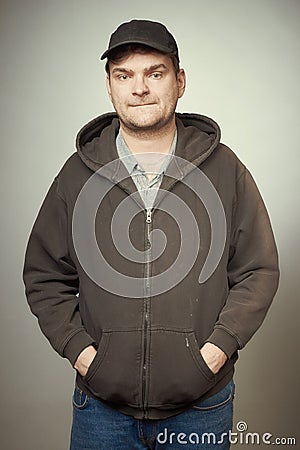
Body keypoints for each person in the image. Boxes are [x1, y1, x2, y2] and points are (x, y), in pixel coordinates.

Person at [23, 19, 279, 450]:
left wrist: (213, 354)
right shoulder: (76, 174)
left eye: (154, 73)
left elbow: (258, 270)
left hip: (202, 406)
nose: (138, 87)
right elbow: (44, 275)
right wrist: (85, 356)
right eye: (124, 75)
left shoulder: (225, 169)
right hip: (101, 409)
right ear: (110, 86)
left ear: (179, 81)